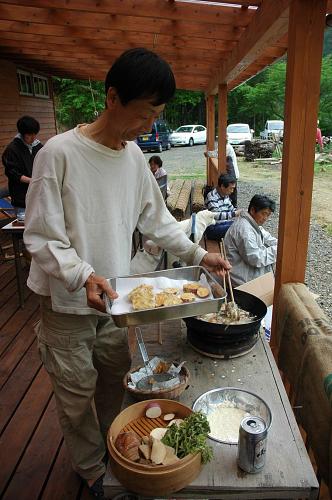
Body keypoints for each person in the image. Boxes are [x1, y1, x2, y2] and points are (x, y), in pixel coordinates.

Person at [23, 48, 230, 499]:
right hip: (67, 304)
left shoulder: (134, 157)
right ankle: (91, 469)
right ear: (113, 97)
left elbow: (156, 222)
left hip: (116, 299)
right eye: (145, 113)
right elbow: (41, 238)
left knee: (114, 378)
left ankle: (112, 446)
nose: (150, 125)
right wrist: (84, 275)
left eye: (157, 115)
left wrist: (199, 252)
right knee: (75, 392)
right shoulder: (58, 154)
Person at [224, 194, 277, 286]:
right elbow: (255, 258)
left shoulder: (251, 221)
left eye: (268, 215)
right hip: (242, 280)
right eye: (263, 213)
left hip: (243, 270)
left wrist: (281, 245)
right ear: (252, 210)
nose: (265, 218)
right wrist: (278, 250)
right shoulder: (245, 230)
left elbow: (267, 237)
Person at [2, 115, 43, 220]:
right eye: (30, 135)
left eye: (35, 134)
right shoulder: (12, 150)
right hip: (21, 198)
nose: (33, 138)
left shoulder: (38, 147)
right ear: (22, 133)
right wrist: (33, 181)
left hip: (39, 196)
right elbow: (13, 173)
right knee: (23, 229)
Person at [204, 173, 241, 240]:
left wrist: (242, 212)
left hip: (223, 224)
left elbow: (232, 209)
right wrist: (235, 213)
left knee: (241, 225)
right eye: (231, 188)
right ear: (222, 186)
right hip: (212, 228)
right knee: (238, 227)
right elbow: (216, 215)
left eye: (233, 188)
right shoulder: (211, 196)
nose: (232, 191)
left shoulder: (225, 195)